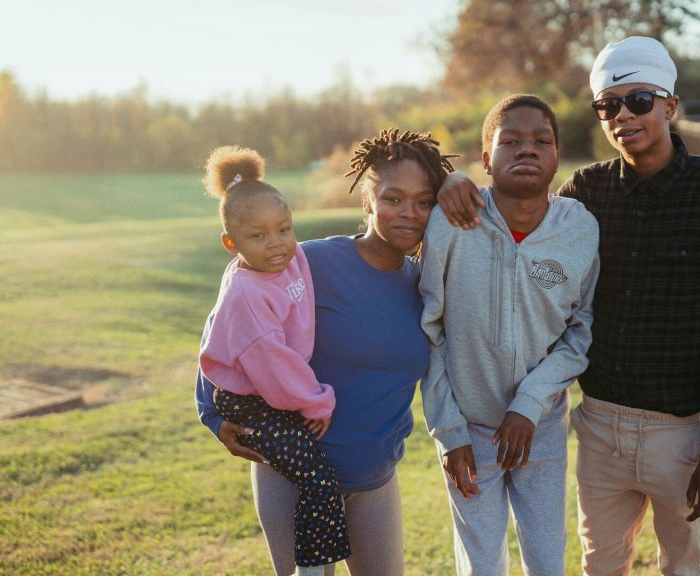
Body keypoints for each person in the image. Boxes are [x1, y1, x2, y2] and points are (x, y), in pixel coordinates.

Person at [437, 37, 700, 576]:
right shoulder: (585, 194)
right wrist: (451, 177)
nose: (623, 116)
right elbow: (520, 195)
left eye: (639, 100)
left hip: (681, 431)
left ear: (670, 105)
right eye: (608, 105)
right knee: (600, 564)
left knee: (684, 563)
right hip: (599, 428)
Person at [196, 129, 455, 576]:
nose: (409, 213)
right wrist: (212, 414)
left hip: (376, 479)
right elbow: (228, 322)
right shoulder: (305, 261)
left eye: (424, 201)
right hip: (294, 476)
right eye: (393, 199)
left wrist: (464, 178)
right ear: (367, 202)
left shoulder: (428, 284)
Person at [419, 94, 600, 576]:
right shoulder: (453, 222)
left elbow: (580, 330)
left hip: (540, 427)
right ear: (486, 158)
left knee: (546, 559)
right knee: (481, 565)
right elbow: (429, 331)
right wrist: (449, 431)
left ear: (558, 156)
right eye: (510, 141)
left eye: (541, 140)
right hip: (468, 430)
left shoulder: (579, 230)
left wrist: (531, 401)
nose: (527, 150)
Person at [199, 145, 349, 576]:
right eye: (258, 236)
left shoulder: (292, 256)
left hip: (272, 392)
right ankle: (311, 571)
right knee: (319, 480)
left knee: (316, 476)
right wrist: (318, 401)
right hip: (252, 404)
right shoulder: (248, 294)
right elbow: (276, 370)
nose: (277, 244)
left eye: (283, 229)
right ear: (232, 243)